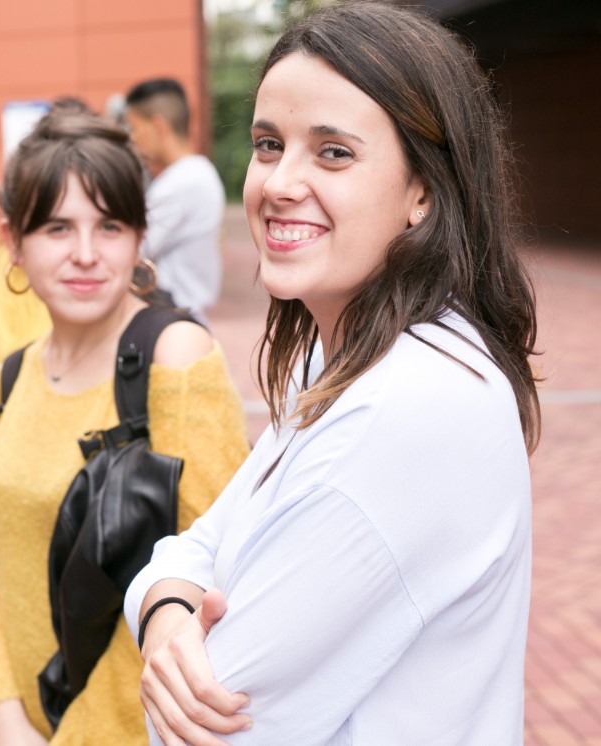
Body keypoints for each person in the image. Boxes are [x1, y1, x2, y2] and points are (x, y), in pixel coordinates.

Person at [124, 3, 541, 744]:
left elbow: (210, 724)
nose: (280, 182)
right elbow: (195, 547)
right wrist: (164, 619)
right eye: (266, 144)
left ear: (424, 190)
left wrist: (166, 628)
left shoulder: (410, 408)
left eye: (334, 153)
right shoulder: (348, 356)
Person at [0, 111, 250, 744]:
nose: (86, 254)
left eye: (110, 226)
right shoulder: (10, 379)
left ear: (140, 236)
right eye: (58, 227)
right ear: (15, 241)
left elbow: (218, 586)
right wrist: (4, 714)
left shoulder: (173, 357)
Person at [124, 78, 225, 323]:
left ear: (158, 126)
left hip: (173, 315)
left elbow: (133, 250)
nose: (134, 139)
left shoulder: (180, 183)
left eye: (135, 128)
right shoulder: (199, 172)